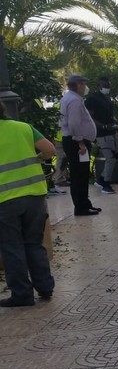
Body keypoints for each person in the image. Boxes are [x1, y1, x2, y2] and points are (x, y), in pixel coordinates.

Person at [0, 105, 57, 307]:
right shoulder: (24, 127)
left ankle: (22, 294)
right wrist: (36, 159)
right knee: (34, 242)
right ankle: (45, 286)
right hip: (35, 195)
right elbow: (50, 150)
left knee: (11, 247)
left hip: (5, 200)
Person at [58, 74, 100, 216]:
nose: (85, 87)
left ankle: (85, 203)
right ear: (77, 85)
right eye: (83, 84)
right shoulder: (74, 100)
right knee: (79, 175)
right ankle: (81, 207)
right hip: (76, 142)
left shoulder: (70, 98)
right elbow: (74, 123)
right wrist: (80, 142)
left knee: (81, 174)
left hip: (75, 140)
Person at [85, 76, 118, 194]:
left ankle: (101, 179)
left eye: (108, 86)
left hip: (112, 131)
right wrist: (103, 126)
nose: (107, 88)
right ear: (98, 86)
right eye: (104, 86)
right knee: (110, 157)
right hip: (102, 133)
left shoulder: (106, 99)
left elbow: (111, 116)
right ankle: (106, 183)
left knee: (114, 156)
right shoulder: (92, 99)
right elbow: (90, 117)